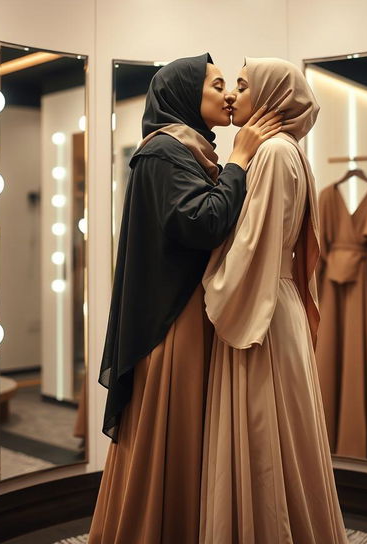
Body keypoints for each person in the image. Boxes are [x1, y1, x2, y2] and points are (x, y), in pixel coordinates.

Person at [88, 53, 283, 543]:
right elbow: (202, 223)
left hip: (188, 313)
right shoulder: (164, 153)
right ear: (184, 96)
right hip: (172, 323)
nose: (229, 95)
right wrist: (239, 159)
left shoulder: (189, 151)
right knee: (176, 438)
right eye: (217, 85)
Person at [201, 58, 348, 543]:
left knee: (265, 438)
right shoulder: (290, 151)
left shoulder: (273, 154)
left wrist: (212, 285)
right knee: (280, 434)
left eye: (243, 87)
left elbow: (253, 244)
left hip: (258, 306)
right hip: (272, 300)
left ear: (269, 98)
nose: (233, 97)